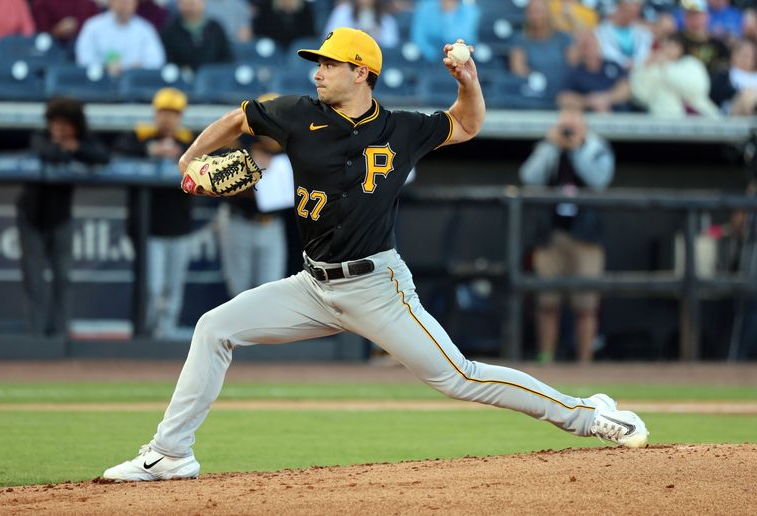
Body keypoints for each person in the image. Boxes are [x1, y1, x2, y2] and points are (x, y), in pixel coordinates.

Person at [102, 27, 649, 482]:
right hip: (312, 287)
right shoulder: (296, 113)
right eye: (318, 63)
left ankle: (587, 415)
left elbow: (468, 122)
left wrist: (469, 79)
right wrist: (191, 157)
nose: (318, 72)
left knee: (459, 376)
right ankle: (170, 453)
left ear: (361, 72)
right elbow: (240, 119)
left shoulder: (401, 128)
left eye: (330, 64)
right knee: (214, 328)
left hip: (377, 287)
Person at [520, 108, 614, 364]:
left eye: (574, 123)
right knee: (547, 303)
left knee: (586, 306)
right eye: (565, 124)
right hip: (551, 235)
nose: (569, 129)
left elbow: (599, 180)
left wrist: (577, 148)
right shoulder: (548, 146)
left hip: (586, 237)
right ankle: (546, 359)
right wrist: (552, 146)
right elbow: (529, 178)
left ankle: (585, 362)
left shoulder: (596, 147)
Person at [16, 97, 109, 337]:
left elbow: (102, 156)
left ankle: (59, 335)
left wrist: (75, 147)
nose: (58, 128)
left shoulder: (82, 140)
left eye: (64, 124)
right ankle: (35, 337)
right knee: (34, 280)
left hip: (61, 218)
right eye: (54, 123)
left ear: (75, 125)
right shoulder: (40, 136)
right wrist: (64, 148)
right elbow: (47, 154)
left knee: (63, 278)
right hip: (31, 216)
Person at [114, 88, 195, 340]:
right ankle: (145, 334)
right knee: (152, 286)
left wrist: (180, 155)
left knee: (172, 288)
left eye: (173, 113)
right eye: (163, 112)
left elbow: (210, 160)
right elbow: (117, 151)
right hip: (149, 228)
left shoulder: (190, 142)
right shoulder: (139, 138)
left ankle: (166, 333)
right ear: (155, 113)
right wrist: (151, 151)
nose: (168, 118)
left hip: (179, 227)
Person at [219, 92, 296, 296]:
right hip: (240, 220)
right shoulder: (240, 138)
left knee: (270, 292)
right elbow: (215, 162)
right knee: (238, 292)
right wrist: (247, 161)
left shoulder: (293, 143)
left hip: (273, 224)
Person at [630, 33, 722, 117]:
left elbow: (696, 89)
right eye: (664, 45)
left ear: (681, 48)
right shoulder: (654, 67)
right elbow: (641, 96)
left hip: (698, 117)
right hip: (662, 119)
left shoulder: (692, 63)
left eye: (672, 45)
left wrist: (666, 67)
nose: (667, 49)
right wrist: (644, 68)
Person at [75, 0, 166, 77]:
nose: (125, 4)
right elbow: (84, 59)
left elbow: (156, 61)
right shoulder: (93, 26)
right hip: (99, 85)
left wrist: (139, 68)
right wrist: (105, 68)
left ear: (136, 3)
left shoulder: (145, 29)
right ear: (111, 2)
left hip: (135, 86)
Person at [509, 0, 574, 101]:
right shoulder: (520, 40)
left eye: (539, 11)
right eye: (532, 12)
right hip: (535, 90)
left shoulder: (563, 38)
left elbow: (573, 65)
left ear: (547, 13)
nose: (535, 16)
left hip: (562, 91)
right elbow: (517, 68)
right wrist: (537, 77)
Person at [558, 30, 631, 112]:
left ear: (598, 44)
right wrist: (588, 101)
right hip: (588, 119)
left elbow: (626, 89)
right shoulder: (574, 72)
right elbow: (563, 98)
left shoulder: (612, 65)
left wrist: (607, 98)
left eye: (591, 43)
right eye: (584, 45)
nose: (589, 48)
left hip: (620, 118)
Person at [160, 0, 232, 72]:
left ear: (203, 3)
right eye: (185, 4)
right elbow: (167, 62)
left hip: (213, 78)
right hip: (182, 79)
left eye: (192, 3)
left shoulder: (216, 28)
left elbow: (227, 58)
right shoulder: (169, 31)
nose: (189, 8)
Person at [411, 0, 480, 63]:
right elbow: (418, 37)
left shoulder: (470, 11)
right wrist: (433, 56)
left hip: (460, 61)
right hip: (428, 59)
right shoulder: (425, 7)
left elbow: (464, 37)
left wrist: (449, 13)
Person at [595, 0, 654, 70]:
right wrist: (625, 63)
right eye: (634, 5)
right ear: (622, 6)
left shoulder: (643, 33)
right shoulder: (601, 31)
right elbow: (606, 53)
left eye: (638, 6)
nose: (637, 9)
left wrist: (635, 64)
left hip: (638, 72)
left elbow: (645, 54)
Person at [678, 0, 731, 74]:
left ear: (707, 16)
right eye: (689, 14)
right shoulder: (677, 41)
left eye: (696, 14)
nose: (693, 18)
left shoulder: (718, 44)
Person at [324, 0, 400, 48]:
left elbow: (391, 47)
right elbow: (329, 37)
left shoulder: (386, 19)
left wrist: (376, 35)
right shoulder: (342, 12)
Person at [710, 39, 757, 115]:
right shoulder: (724, 75)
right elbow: (716, 95)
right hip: (733, 110)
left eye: (749, 55)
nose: (746, 59)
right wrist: (740, 93)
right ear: (733, 55)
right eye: (743, 55)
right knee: (749, 93)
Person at [31, 0, 100, 48]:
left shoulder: (89, 3)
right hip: (54, 50)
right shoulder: (41, 3)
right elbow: (39, 38)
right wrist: (55, 32)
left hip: (85, 47)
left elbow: (99, 29)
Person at [251, 0, 317, 50]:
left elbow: (309, 34)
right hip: (273, 48)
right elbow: (260, 32)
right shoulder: (267, 7)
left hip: (297, 50)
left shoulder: (305, 8)